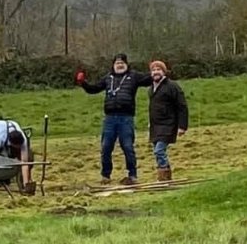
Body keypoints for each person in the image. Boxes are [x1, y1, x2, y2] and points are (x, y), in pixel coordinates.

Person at [75, 53, 152, 185]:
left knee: (128, 147)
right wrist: (83, 83)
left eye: (122, 62)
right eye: (117, 63)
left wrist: (154, 69)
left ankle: (132, 175)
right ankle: (106, 175)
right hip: (110, 119)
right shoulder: (107, 78)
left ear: (126, 64)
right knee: (106, 147)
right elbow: (93, 89)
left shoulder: (133, 76)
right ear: (113, 65)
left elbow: (149, 80)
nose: (120, 65)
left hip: (126, 118)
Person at [147, 60, 188, 181]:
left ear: (164, 72)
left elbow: (182, 106)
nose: (156, 72)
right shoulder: (151, 89)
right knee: (157, 151)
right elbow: (153, 108)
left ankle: (163, 177)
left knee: (159, 151)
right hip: (156, 126)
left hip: (168, 124)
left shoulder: (172, 86)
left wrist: (182, 126)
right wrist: (150, 123)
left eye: (158, 70)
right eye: (153, 70)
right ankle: (166, 175)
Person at [0, 118, 36, 194]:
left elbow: (24, 163)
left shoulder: (23, 141)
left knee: (29, 157)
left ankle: (22, 185)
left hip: (10, 126)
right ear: (11, 143)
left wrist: (26, 183)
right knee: (1, 156)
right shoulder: (0, 139)